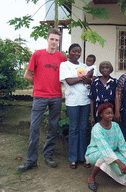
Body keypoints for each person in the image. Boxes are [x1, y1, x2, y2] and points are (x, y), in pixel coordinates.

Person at [17, 28, 67, 172]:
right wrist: (38, 83)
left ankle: (48, 155)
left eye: (56, 40)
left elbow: (64, 78)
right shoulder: (37, 54)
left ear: (59, 42)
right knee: (34, 128)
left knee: (53, 127)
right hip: (39, 97)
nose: (54, 42)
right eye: (52, 39)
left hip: (56, 97)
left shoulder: (61, 58)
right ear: (47, 39)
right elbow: (27, 75)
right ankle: (31, 160)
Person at [86, 103, 126, 191]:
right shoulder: (96, 128)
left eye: (111, 113)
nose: (111, 115)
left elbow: (122, 144)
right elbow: (104, 148)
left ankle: (110, 170)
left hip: (112, 153)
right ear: (101, 115)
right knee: (104, 156)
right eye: (107, 113)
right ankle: (91, 178)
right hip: (95, 153)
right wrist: (119, 163)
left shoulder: (116, 126)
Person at [59, 43, 94, 169]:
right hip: (72, 102)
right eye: (74, 51)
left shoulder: (84, 66)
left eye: (79, 52)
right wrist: (83, 78)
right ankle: (73, 158)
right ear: (69, 52)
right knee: (73, 129)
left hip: (85, 101)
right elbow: (69, 81)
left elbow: (90, 81)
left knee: (84, 128)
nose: (77, 53)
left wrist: (84, 78)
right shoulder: (65, 65)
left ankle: (84, 156)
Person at [89, 61, 117, 126]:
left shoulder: (114, 82)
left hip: (110, 112)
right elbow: (92, 99)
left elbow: (116, 98)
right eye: (102, 68)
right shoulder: (95, 82)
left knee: (110, 129)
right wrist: (92, 116)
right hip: (98, 112)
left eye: (107, 68)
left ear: (110, 69)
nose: (105, 70)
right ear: (100, 70)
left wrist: (116, 112)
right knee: (99, 130)